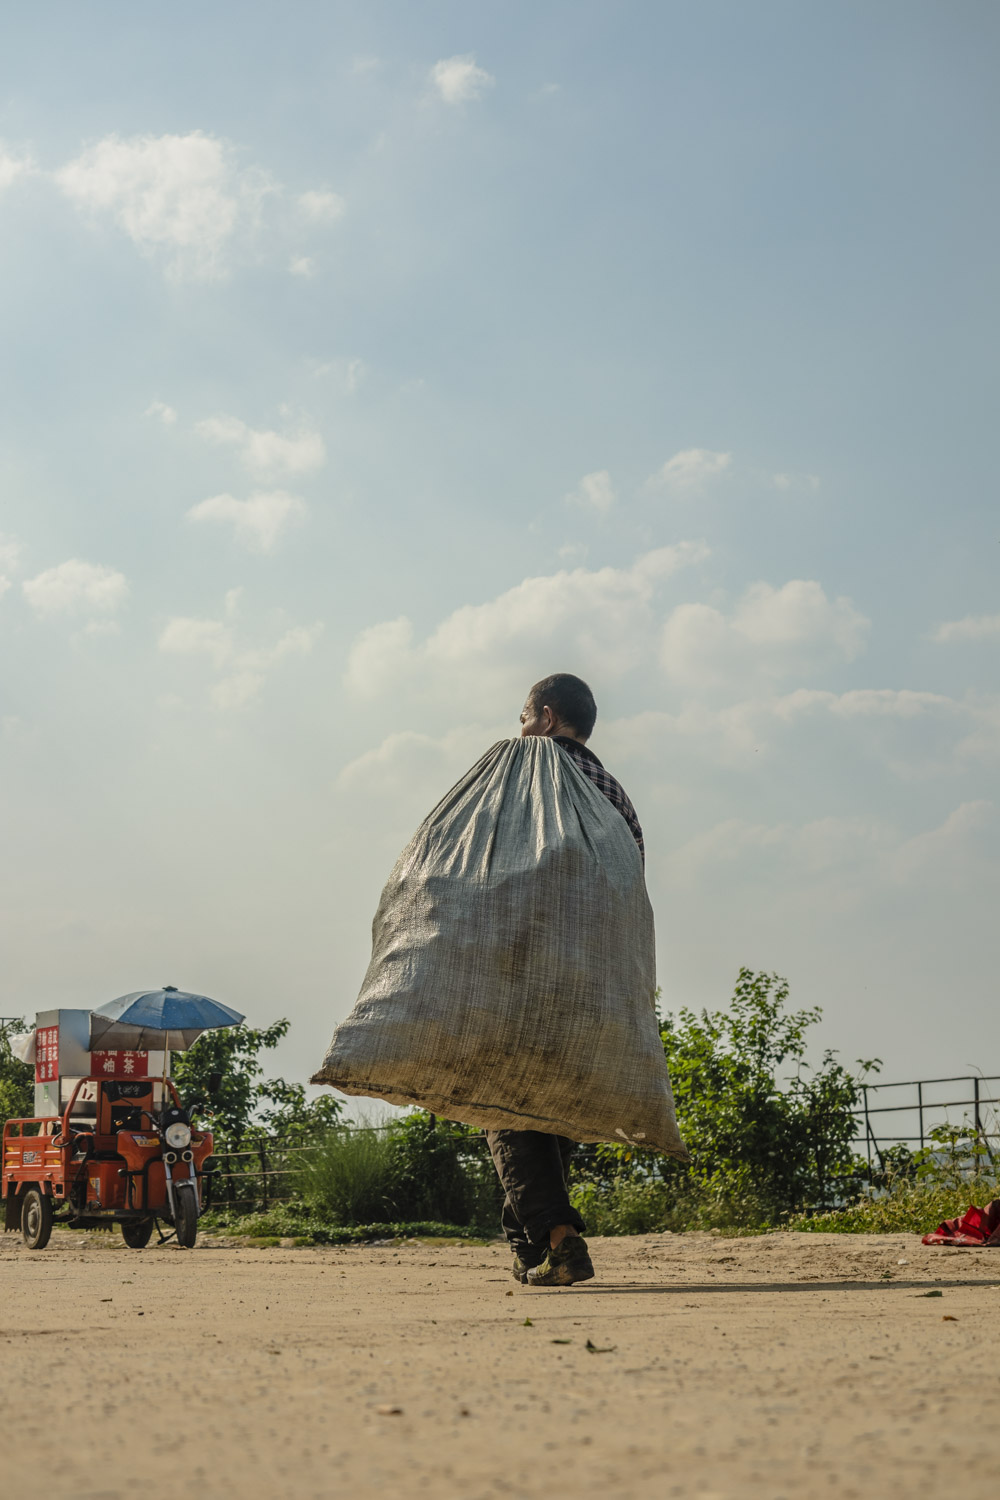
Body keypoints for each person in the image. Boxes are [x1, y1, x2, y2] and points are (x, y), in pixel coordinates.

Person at [485, 672, 645, 1287]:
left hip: (529, 972)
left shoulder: (529, 769)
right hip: (597, 984)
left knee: (502, 1101)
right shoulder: (615, 796)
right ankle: (529, 1250)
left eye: (524, 717)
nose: (521, 729)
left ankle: (559, 1239)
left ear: (547, 718)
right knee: (549, 1112)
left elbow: (489, 859)